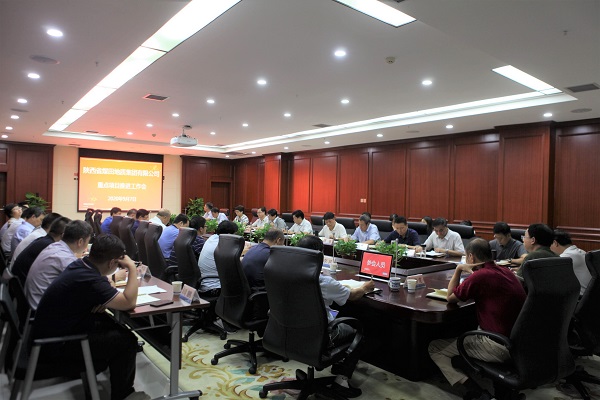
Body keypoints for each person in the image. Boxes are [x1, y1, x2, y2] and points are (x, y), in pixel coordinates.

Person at [32, 234, 149, 400]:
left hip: (54, 330)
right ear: (112, 263)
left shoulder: (81, 265)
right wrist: (131, 267)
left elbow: (103, 285)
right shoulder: (90, 279)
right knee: (127, 340)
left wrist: (102, 298)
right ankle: (123, 395)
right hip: (56, 345)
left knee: (112, 324)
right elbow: (129, 303)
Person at [428, 238, 526, 400]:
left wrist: (459, 269)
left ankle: (479, 394)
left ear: (471, 257)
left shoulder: (481, 276)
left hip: (497, 345)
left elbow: (450, 297)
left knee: (435, 349)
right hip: (520, 343)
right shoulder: (505, 271)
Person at [297, 235, 374, 398]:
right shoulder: (322, 281)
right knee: (358, 334)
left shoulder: (286, 272)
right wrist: (365, 288)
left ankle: (338, 364)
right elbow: (353, 295)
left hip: (290, 330)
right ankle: (342, 381)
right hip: (320, 334)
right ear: (319, 255)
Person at [25, 220, 93, 309]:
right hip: (42, 309)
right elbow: (87, 285)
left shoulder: (54, 246)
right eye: (88, 241)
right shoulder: (65, 258)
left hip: (34, 302)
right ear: (80, 241)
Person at [11, 216, 71, 287]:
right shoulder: (50, 246)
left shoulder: (44, 240)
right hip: (22, 284)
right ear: (63, 235)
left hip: (19, 282)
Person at [198, 220, 238, 294]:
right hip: (215, 287)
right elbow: (233, 262)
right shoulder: (222, 244)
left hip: (204, 283)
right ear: (229, 235)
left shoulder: (212, 238)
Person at [551, 229, 590, 296]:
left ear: (555, 243)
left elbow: (550, 273)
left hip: (580, 298)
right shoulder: (580, 251)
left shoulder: (567, 257)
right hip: (590, 296)